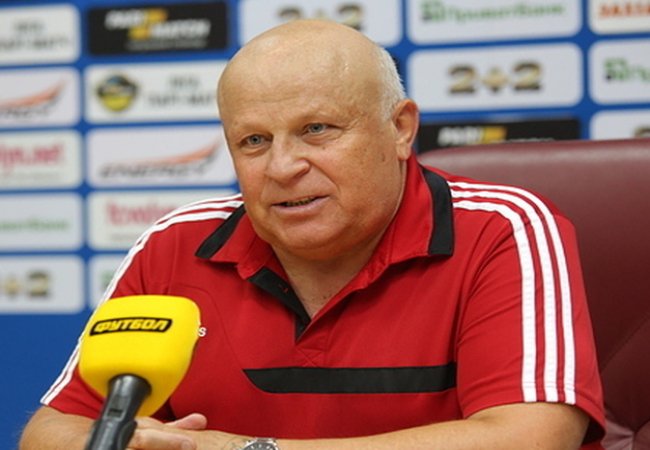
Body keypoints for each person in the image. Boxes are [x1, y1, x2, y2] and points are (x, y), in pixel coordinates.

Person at [20, 19, 605, 450]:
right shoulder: (176, 245)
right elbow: (52, 431)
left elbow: (530, 438)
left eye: (316, 129)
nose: (282, 167)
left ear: (400, 130)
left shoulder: (503, 228)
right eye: (254, 141)